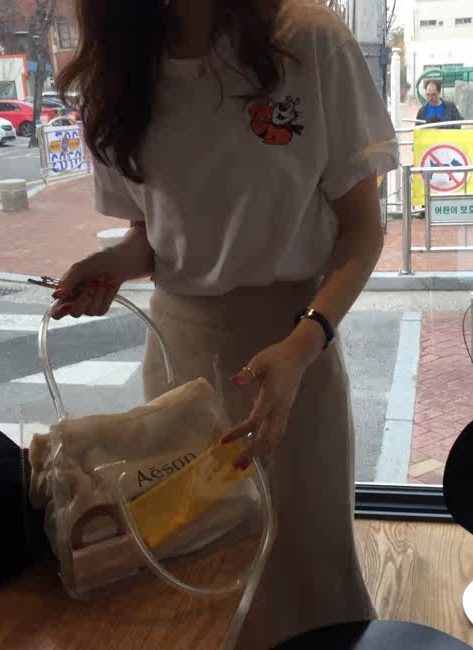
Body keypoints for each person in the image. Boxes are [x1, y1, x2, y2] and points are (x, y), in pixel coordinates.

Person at [52, 0, 398, 647]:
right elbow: (153, 236)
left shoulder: (307, 40)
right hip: (176, 357)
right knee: (194, 574)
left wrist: (304, 343)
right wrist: (114, 263)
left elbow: (362, 229)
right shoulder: (119, 64)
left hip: (294, 352)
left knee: (303, 570)